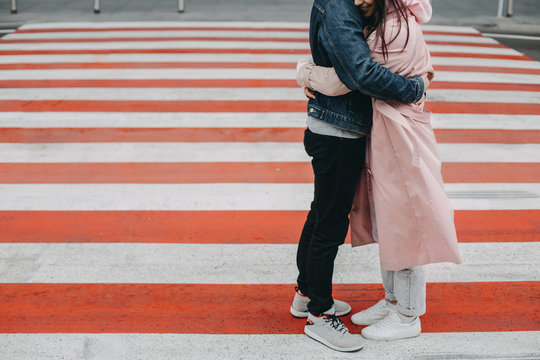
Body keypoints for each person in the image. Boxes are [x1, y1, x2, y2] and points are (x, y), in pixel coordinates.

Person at [296, 0, 462, 344]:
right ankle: (319, 312)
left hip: (374, 132)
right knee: (330, 221)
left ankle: (393, 309)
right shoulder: (343, 8)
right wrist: (308, 72)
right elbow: (357, 73)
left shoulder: (389, 20)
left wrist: (308, 73)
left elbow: (355, 74)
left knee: (390, 216)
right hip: (340, 131)